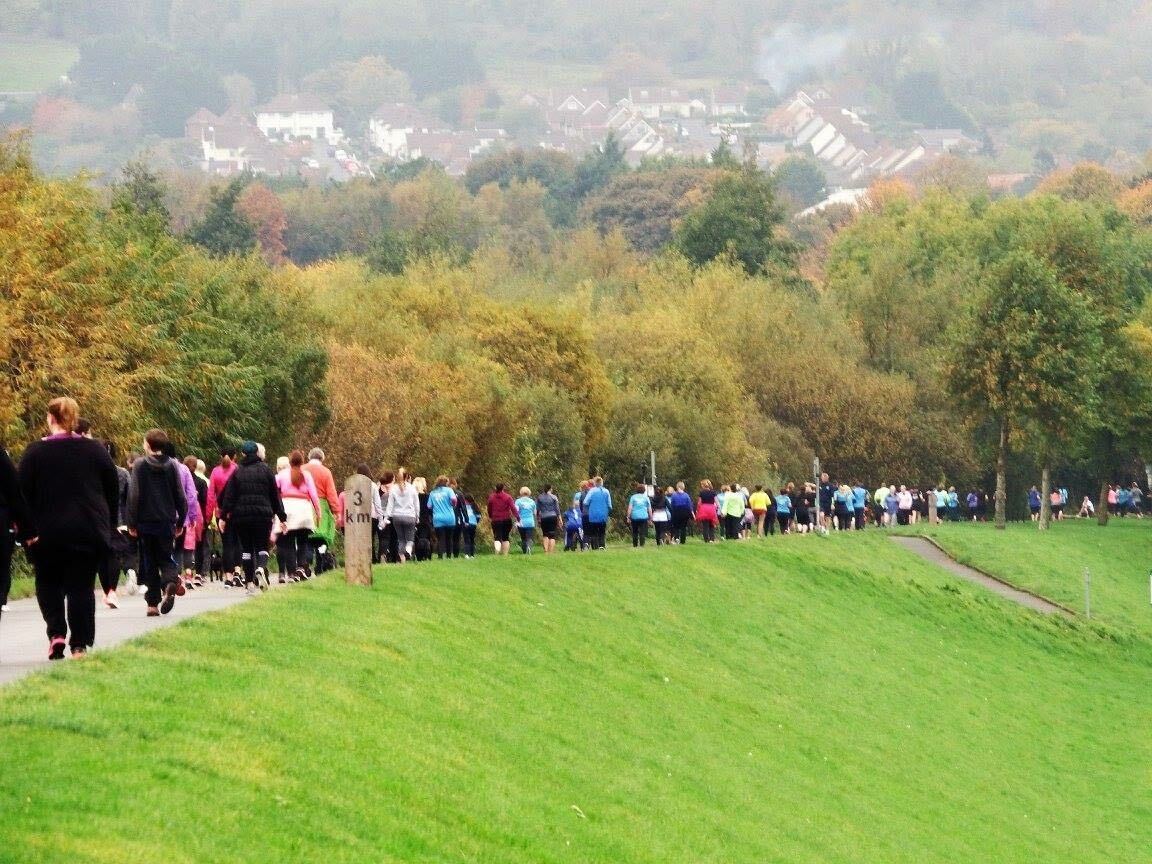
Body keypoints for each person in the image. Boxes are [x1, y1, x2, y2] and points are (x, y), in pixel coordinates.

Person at [18, 398, 119, 658]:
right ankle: (79, 644)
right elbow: (112, 492)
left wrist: (26, 531)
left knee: (48, 582)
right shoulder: (96, 451)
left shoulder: (35, 453)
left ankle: (56, 633)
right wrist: (107, 526)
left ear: (50, 419)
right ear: (75, 419)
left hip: (46, 532)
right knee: (81, 587)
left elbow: (22, 495)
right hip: (87, 530)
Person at [127, 429, 188, 616]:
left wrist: (132, 521)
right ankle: (170, 582)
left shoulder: (139, 465)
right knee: (166, 556)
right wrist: (181, 521)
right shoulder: (172, 466)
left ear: (147, 444)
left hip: (145, 522)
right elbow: (180, 495)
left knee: (149, 561)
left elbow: (134, 494)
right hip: (166, 520)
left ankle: (152, 604)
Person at [218, 441, 285, 593]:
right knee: (262, 547)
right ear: (257, 453)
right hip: (263, 516)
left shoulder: (237, 472)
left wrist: (223, 516)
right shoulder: (266, 470)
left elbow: (227, 497)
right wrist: (282, 516)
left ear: (242, 454)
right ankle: (260, 568)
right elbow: (275, 496)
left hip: (241, 517)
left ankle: (249, 584)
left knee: (246, 550)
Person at [275, 450, 320, 582]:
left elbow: (274, 493)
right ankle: (301, 566)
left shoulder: (281, 475)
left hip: (287, 509)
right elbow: (313, 494)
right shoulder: (306, 475)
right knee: (303, 541)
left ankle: (291, 572)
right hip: (304, 510)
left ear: (290, 462)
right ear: (302, 462)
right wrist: (318, 511)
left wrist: (275, 511)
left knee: (288, 543)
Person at [0, 445, 30, 616]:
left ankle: (2, 597)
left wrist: (22, 524)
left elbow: (15, 493)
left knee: (4, 560)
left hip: (5, 518)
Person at [302, 448, 340, 574]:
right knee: (321, 538)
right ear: (322, 458)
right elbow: (331, 493)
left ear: (309, 457)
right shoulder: (326, 472)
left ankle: (305, 562)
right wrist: (335, 510)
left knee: (306, 537)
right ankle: (320, 566)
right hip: (321, 506)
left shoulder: (302, 469)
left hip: (305, 504)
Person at [206, 448, 238, 583]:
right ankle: (237, 571)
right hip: (237, 511)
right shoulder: (238, 469)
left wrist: (208, 515)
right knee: (238, 542)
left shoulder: (215, 471)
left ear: (220, 456)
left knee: (227, 544)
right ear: (235, 457)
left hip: (221, 512)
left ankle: (228, 575)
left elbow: (211, 495)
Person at [383, 469, 420, 562]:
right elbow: (416, 503)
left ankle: (402, 560)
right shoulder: (412, 488)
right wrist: (417, 515)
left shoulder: (394, 488)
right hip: (410, 516)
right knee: (410, 539)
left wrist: (386, 517)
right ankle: (408, 551)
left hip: (397, 516)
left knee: (401, 539)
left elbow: (390, 504)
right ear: (407, 477)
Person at [428, 475, 459, 559]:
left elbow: (429, 506)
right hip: (449, 517)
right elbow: (454, 500)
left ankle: (440, 555)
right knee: (449, 538)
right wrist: (452, 505)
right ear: (446, 482)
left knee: (440, 538)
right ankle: (449, 555)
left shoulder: (432, 493)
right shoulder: (449, 490)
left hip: (438, 518)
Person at [487, 483, 517, 556]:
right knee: (505, 537)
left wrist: (491, 516)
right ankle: (505, 554)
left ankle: (497, 553)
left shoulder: (491, 497)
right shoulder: (507, 497)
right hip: (506, 519)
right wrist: (517, 517)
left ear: (495, 488)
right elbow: (513, 508)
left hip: (496, 519)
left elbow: (489, 508)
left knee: (497, 537)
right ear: (503, 488)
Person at [584, 477, 612, 550]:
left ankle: (595, 547)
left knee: (594, 532)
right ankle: (602, 546)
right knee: (602, 531)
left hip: (593, 514)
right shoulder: (606, 491)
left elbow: (585, 502)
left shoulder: (592, 491)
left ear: (595, 483)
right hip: (603, 515)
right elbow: (609, 505)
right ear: (602, 483)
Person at [536, 485, 561, 554]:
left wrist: (538, 518)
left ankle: (546, 551)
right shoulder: (554, 497)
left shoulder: (540, 497)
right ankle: (551, 551)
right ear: (550, 489)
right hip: (553, 516)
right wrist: (560, 519)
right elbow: (557, 509)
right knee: (552, 535)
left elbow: (537, 509)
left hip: (544, 517)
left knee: (545, 534)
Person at [628, 483, 653, 547]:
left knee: (635, 532)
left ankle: (635, 545)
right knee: (642, 532)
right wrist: (651, 518)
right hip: (643, 516)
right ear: (644, 490)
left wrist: (628, 516)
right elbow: (649, 509)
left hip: (634, 516)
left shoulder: (633, 497)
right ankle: (642, 545)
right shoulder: (646, 498)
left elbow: (630, 508)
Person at [514, 486, 537, 554]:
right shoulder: (532, 502)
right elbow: (535, 513)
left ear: (521, 492)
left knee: (523, 538)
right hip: (530, 522)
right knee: (529, 537)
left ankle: (524, 551)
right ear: (529, 493)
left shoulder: (518, 501)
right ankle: (529, 546)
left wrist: (516, 521)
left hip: (521, 522)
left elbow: (516, 512)